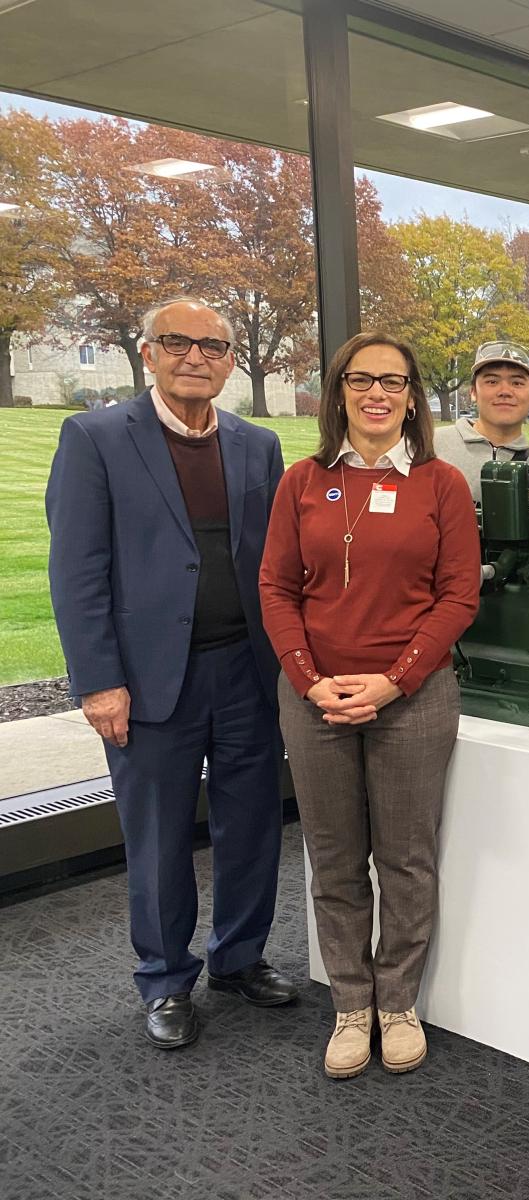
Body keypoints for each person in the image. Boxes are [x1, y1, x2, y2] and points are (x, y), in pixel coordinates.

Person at [45, 297, 297, 1050]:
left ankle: (240, 958)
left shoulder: (258, 446)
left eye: (213, 346)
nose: (197, 356)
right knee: (155, 838)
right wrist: (97, 681)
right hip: (151, 682)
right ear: (149, 353)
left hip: (247, 674)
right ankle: (164, 978)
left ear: (230, 360)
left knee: (253, 826)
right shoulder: (94, 438)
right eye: (178, 342)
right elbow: (77, 570)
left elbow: (276, 568)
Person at [259, 332, 480, 1080]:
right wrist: (309, 677)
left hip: (412, 698)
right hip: (315, 697)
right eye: (362, 380)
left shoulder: (441, 483)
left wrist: (396, 679)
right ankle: (351, 1006)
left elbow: (459, 595)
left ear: (413, 396)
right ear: (340, 391)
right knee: (334, 859)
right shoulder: (302, 482)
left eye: (393, 381)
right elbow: (277, 590)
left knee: (407, 859)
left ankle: (398, 1004)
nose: (377, 393)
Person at [433, 341, 529, 504]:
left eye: (517, 383)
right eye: (492, 381)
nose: (505, 392)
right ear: (473, 392)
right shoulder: (431, 445)